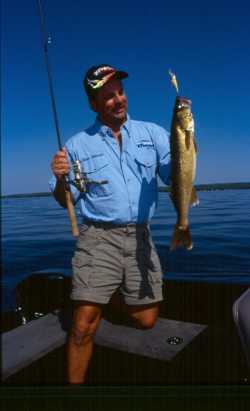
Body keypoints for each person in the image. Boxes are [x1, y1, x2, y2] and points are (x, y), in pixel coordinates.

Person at [50, 64, 171, 384]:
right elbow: (66, 201)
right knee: (82, 327)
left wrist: (187, 147)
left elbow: (176, 177)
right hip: (97, 237)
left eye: (120, 92)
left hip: (141, 235)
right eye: (108, 96)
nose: (119, 100)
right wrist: (60, 178)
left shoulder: (154, 134)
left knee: (146, 320)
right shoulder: (77, 145)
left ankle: (100, 295)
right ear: (93, 104)